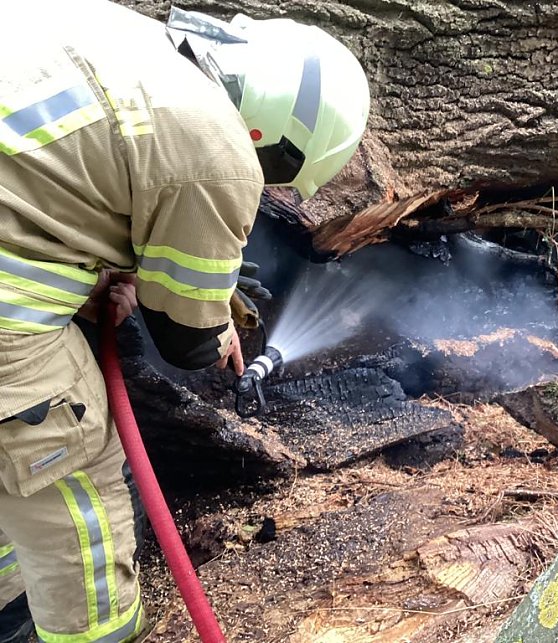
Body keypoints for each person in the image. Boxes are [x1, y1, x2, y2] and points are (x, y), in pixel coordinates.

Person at [0, 1, 371, 641]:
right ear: (269, 134)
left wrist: (115, 273)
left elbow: (51, 183)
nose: (265, 182)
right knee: (70, 464)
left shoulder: (113, 32)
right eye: (279, 170)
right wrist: (205, 316)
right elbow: (185, 340)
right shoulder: (216, 142)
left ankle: (9, 600)